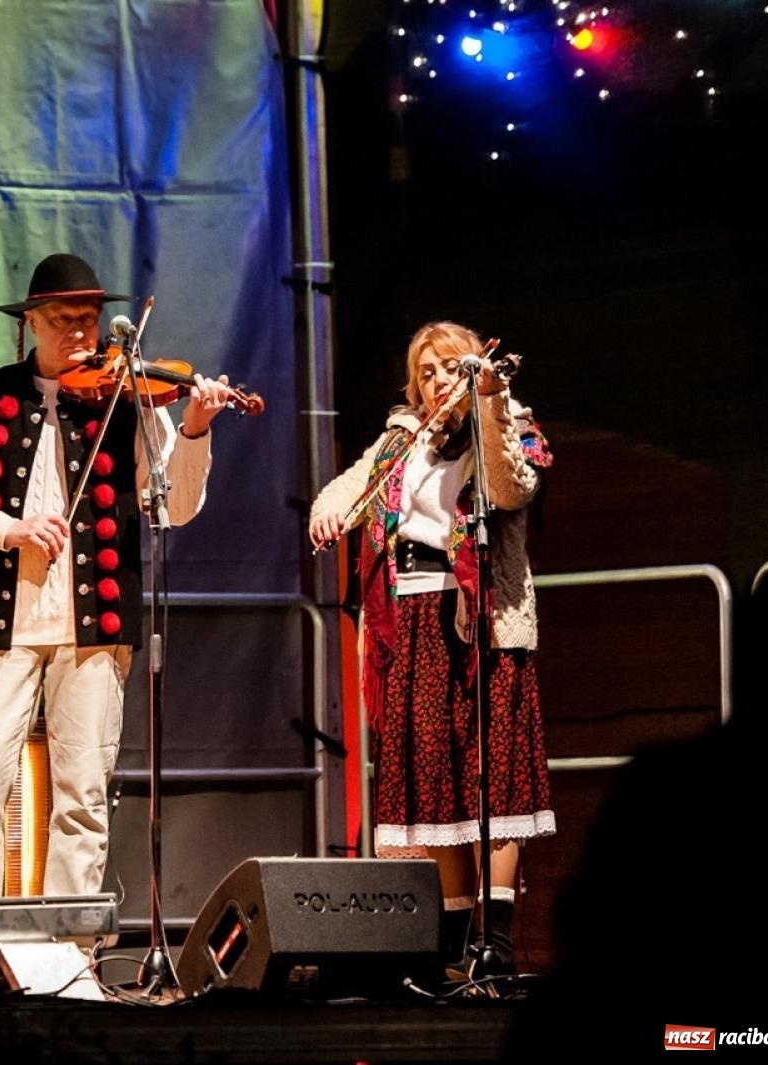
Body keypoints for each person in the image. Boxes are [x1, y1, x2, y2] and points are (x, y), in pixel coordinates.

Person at [0, 252, 235, 997]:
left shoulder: (129, 396)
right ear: (31, 324)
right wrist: (7, 529)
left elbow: (175, 507)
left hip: (96, 624)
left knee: (82, 795)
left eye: (89, 319)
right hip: (4, 623)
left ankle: (68, 956)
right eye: (64, 320)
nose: (82, 333)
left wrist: (194, 429)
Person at [308, 320, 555, 982]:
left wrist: (490, 401)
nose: (438, 380)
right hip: (411, 621)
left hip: (481, 621)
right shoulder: (401, 439)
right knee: (435, 788)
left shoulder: (507, 424)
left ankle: (494, 943)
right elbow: (346, 488)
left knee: (492, 781)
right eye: (426, 372)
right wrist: (328, 512)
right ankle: (450, 947)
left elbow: (509, 488)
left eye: (450, 367)